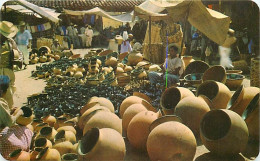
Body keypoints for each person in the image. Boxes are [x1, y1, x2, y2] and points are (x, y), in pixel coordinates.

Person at [0, 75, 33, 160]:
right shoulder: (1, 103)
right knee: (21, 143)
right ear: (2, 91)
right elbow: (10, 123)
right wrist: (19, 113)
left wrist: (9, 113)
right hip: (2, 134)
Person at [0, 21, 23, 109]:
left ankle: (8, 111)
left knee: (8, 92)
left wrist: (18, 60)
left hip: (7, 71)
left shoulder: (10, 42)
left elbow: (19, 52)